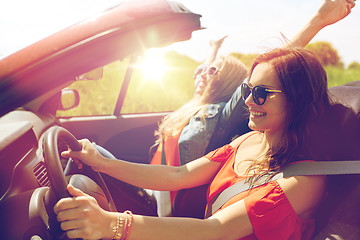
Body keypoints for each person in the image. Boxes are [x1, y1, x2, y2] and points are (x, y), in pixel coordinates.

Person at [55, 47, 330, 239]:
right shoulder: (248, 140)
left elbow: (215, 230)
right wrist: (101, 163)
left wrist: (109, 225)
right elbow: (179, 174)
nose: (247, 101)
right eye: (247, 90)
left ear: (297, 100)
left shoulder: (304, 181)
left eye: (260, 93)